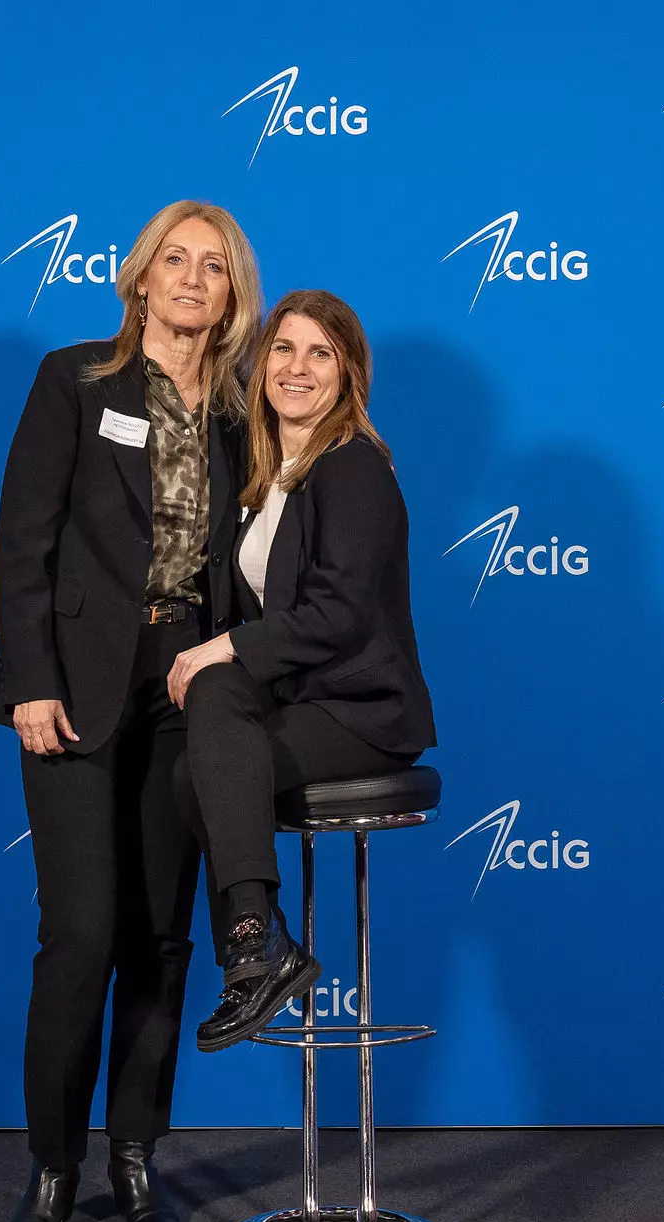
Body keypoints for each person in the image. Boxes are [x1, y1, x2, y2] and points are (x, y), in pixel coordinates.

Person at [0, 201, 261, 1222]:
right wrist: (31, 681)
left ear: (232, 294)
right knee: (82, 932)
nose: (191, 280)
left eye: (213, 267)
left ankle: (136, 1157)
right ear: (139, 277)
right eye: (174, 260)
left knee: (159, 937)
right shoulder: (76, 380)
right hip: (76, 681)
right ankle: (52, 1167)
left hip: (185, 683)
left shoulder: (239, 409)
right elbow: (23, 541)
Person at [166, 290, 436, 1051]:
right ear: (262, 364)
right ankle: (263, 945)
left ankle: (252, 946)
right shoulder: (268, 477)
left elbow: (339, 612)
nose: (297, 367)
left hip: (363, 712)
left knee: (217, 684)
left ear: (348, 374)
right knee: (191, 769)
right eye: (284, 348)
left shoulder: (353, 467)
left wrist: (223, 647)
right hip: (302, 701)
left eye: (321, 353)